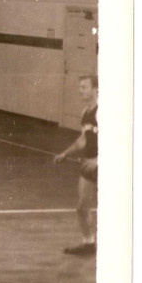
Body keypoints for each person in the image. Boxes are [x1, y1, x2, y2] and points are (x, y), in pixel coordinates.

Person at [53, 75, 98, 256]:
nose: (81, 90)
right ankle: (89, 244)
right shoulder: (85, 112)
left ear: (96, 89)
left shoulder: (104, 110)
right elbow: (83, 140)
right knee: (82, 208)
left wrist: (100, 159)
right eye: (79, 87)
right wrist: (65, 153)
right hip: (89, 165)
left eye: (84, 87)